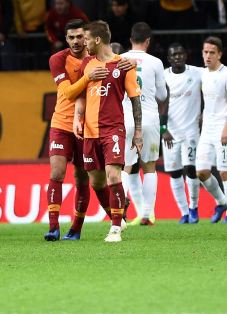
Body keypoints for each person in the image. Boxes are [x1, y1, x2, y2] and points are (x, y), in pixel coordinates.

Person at [46, 19, 135, 241]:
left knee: (85, 179)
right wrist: (88, 77)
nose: (77, 41)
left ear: (88, 38)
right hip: (62, 122)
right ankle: (53, 227)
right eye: (72, 37)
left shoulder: (93, 57)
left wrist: (130, 61)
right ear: (66, 39)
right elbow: (69, 93)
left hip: (89, 126)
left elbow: (113, 58)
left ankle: (78, 228)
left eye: (80, 37)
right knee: (57, 172)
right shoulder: (59, 59)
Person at [69, 21, 142, 243]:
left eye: (87, 39)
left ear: (97, 40)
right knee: (97, 183)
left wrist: (138, 131)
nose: (84, 44)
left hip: (113, 129)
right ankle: (118, 218)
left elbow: (135, 99)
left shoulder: (124, 66)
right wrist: (78, 118)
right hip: (90, 131)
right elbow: (81, 94)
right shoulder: (87, 64)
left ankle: (115, 229)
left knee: (113, 175)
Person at [121, 23, 167, 226]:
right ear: (148, 41)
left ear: (130, 40)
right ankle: (147, 215)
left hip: (126, 118)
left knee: (124, 167)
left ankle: (119, 212)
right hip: (149, 120)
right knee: (149, 167)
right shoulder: (156, 62)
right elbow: (162, 95)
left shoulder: (120, 59)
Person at [196, 37, 227, 224]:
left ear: (219, 55)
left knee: (224, 171)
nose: (208, 56)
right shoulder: (203, 73)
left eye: (212, 53)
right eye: (206, 52)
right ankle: (221, 202)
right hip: (207, 130)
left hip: (225, 129)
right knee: (201, 172)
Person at [163, 43, 205, 223]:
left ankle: (193, 207)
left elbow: (216, 74)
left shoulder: (196, 72)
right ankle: (184, 212)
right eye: (174, 55)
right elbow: (157, 104)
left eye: (180, 53)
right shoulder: (163, 76)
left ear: (186, 56)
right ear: (169, 58)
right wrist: (163, 130)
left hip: (191, 131)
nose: (178, 57)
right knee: (175, 172)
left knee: (191, 169)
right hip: (170, 133)